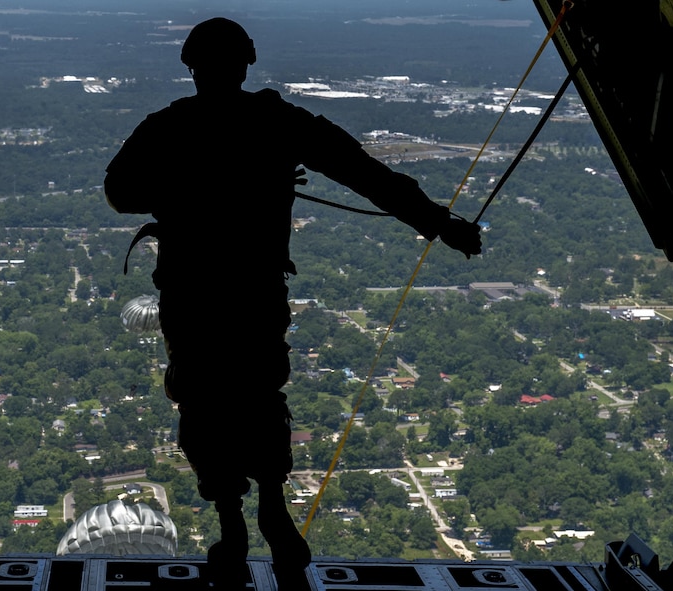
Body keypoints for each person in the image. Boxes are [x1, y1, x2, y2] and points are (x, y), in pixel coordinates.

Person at [104, 16, 481, 589]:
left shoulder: (169, 126)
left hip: (195, 291)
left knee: (203, 396)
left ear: (191, 67)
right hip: (253, 290)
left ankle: (232, 524)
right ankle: (272, 507)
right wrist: (438, 223)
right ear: (246, 62)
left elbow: (120, 191)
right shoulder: (279, 123)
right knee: (257, 390)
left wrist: (187, 189)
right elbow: (366, 174)